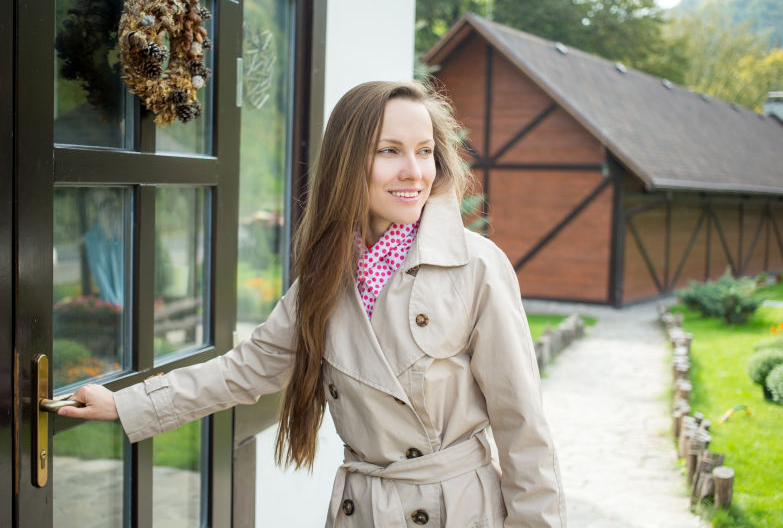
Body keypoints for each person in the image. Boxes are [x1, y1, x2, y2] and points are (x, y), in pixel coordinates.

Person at [60, 81, 567, 527]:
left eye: (425, 151)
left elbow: (522, 426)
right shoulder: (327, 275)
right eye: (389, 151)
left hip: (457, 510)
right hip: (364, 509)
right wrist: (128, 403)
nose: (414, 171)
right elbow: (247, 368)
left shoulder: (475, 266)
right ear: (348, 161)